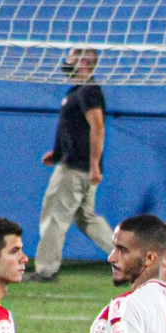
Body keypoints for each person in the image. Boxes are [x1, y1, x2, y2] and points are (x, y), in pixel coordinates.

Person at [33, 47, 111, 281]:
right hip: (76, 165)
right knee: (87, 218)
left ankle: (46, 270)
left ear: (83, 62)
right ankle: (129, 259)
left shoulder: (88, 91)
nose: (66, 60)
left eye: (70, 56)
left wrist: (94, 164)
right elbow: (73, 129)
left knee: (54, 216)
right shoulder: (78, 91)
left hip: (76, 170)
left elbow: (97, 127)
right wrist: (57, 154)